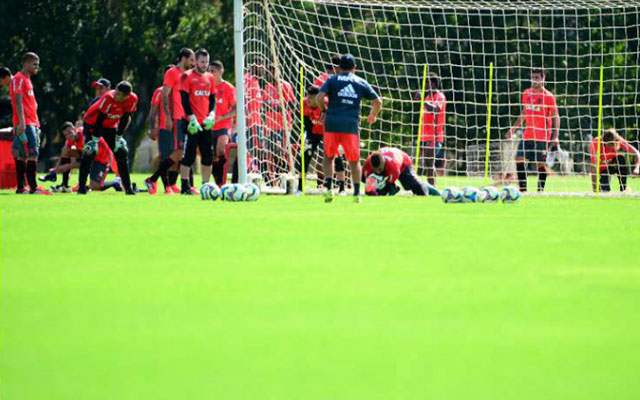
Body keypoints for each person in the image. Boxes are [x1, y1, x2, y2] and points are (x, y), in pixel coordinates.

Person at [315, 53, 382, 203]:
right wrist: (372, 116)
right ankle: (357, 194)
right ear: (354, 68)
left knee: (328, 157)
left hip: (331, 123)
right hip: (350, 125)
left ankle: (329, 190)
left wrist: (324, 111)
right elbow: (378, 101)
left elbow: (319, 97)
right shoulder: (360, 81)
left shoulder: (332, 79)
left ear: (339, 68)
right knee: (353, 160)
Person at [145, 48, 195, 194]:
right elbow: (165, 96)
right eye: (191, 60)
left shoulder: (188, 75)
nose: (193, 63)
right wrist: (167, 117)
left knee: (179, 155)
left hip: (184, 119)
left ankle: (157, 181)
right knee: (178, 154)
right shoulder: (172, 73)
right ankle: (161, 182)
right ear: (183, 59)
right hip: (175, 119)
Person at [78, 80, 138, 194]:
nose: (116, 95)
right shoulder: (108, 97)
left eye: (119, 95)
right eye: (116, 92)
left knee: (121, 154)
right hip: (93, 123)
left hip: (110, 125)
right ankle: (81, 188)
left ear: (126, 96)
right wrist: (94, 140)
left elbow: (125, 117)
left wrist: (119, 137)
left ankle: (128, 189)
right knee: (90, 152)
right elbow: (99, 119)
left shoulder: (133, 99)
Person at [507, 68, 560, 192]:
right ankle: (523, 190)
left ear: (543, 79)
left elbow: (556, 116)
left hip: (542, 136)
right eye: (533, 77)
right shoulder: (526, 93)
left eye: (537, 77)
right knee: (519, 159)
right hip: (528, 135)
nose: (534, 80)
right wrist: (513, 129)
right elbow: (524, 113)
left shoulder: (549, 96)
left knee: (540, 164)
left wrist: (555, 136)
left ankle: (540, 191)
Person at [10, 52, 51, 194]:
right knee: (33, 153)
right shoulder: (19, 79)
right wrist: (21, 122)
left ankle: (21, 188)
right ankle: (33, 187)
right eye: (34, 64)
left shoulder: (27, 79)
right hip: (26, 123)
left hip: (32, 122)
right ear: (26, 63)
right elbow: (18, 101)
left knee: (22, 155)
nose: (36, 67)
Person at [295, 85, 347, 194]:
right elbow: (307, 124)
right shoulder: (303, 104)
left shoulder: (328, 104)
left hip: (330, 131)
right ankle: (300, 188)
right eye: (307, 97)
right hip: (313, 132)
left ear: (319, 98)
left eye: (311, 98)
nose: (308, 100)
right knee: (305, 156)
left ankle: (341, 188)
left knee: (336, 157)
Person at [178, 49, 216, 193]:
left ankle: (205, 186)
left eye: (206, 62)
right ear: (195, 62)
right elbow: (184, 100)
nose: (205, 64)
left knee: (208, 155)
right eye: (202, 61)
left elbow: (212, 99)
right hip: (191, 123)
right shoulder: (187, 77)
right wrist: (191, 118)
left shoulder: (210, 78)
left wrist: (212, 114)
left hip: (206, 123)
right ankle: (184, 186)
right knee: (189, 155)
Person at [362, 147, 440, 196]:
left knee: (418, 190)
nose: (378, 172)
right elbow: (364, 178)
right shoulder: (367, 163)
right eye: (375, 170)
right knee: (363, 179)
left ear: (384, 163)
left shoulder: (393, 166)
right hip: (390, 165)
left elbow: (390, 187)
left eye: (379, 169)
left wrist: (381, 190)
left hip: (403, 164)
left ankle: (431, 189)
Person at [264, 63, 295, 185]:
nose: (271, 74)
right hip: (270, 126)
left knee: (279, 151)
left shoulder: (286, 86)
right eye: (269, 71)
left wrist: (280, 108)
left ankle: (283, 175)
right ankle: (277, 177)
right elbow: (265, 104)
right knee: (271, 152)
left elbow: (293, 104)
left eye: (273, 71)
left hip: (283, 126)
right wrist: (270, 106)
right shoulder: (267, 87)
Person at [209, 60, 236, 185]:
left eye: (212, 71)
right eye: (208, 71)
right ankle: (219, 183)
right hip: (209, 126)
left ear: (220, 71)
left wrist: (223, 117)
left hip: (224, 125)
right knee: (211, 156)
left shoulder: (229, 88)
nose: (210, 73)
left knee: (221, 149)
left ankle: (225, 180)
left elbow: (236, 109)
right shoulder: (207, 87)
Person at [149, 64, 175, 194]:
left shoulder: (178, 90)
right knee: (166, 157)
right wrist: (152, 128)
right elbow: (153, 111)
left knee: (178, 156)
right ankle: (166, 187)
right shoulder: (160, 92)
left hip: (177, 128)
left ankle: (172, 184)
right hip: (164, 129)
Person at [39, 121, 85, 192]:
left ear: (74, 129)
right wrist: (56, 169)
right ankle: (64, 184)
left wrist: (68, 166)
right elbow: (63, 154)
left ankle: (83, 185)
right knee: (65, 150)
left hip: (95, 159)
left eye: (69, 132)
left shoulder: (84, 135)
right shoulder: (70, 139)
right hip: (84, 157)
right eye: (66, 135)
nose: (68, 136)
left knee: (96, 186)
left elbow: (87, 160)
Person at [590, 128, 640, 192]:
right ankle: (603, 186)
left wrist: (637, 168)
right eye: (612, 147)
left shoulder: (619, 140)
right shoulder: (595, 143)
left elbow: (637, 153)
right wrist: (595, 188)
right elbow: (593, 167)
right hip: (602, 170)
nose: (614, 149)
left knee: (620, 158)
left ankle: (623, 188)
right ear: (606, 143)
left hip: (612, 165)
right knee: (604, 191)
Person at [418, 72, 446, 186]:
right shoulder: (428, 97)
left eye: (427, 83)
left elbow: (436, 109)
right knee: (426, 164)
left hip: (435, 136)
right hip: (424, 136)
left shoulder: (440, 96)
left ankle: (432, 189)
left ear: (434, 83)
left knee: (429, 162)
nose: (424, 85)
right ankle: (430, 187)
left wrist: (422, 101)